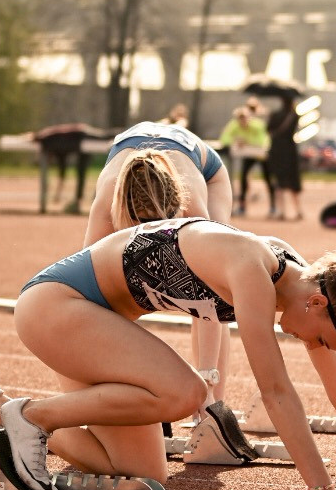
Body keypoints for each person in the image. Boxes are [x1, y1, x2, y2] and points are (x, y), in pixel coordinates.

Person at [0, 149, 336, 490]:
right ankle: (28, 418)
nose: (320, 349)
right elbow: (276, 390)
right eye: (329, 341)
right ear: (319, 304)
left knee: (144, 475)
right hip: (57, 306)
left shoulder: (300, 291)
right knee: (185, 393)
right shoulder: (253, 269)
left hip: (94, 324)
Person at [84, 118, 235, 392]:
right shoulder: (107, 202)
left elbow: (211, 298)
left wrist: (205, 380)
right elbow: (89, 287)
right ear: (124, 214)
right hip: (143, 162)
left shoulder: (193, 205)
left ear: (177, 209)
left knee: (209, 284)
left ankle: (215, 407)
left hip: (208, 173)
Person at [219, 99, 274, 215]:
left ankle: (273, 206)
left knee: (268, 179)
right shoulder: (234, 125)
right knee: (243, 178)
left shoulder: (258, 125)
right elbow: (224, 138)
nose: (242, 121)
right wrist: (235, 141)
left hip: (261, 155)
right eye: (240, 118)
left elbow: (262, 140)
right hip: (248, 155)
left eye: (244, 118)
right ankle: (242, 206)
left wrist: (246, 141)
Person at [267, 95, 303, 220]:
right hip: (290, 150)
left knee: (279, 182)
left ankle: (281, 211)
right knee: (293, 181)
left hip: (276, 150)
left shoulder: (275, 114)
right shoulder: (294, 115)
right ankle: (298, 210)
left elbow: (268, 130)